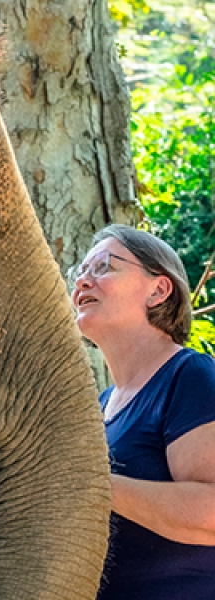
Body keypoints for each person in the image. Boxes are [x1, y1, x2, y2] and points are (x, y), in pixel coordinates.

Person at [69, 224, 215, 599]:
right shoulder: (98, 408)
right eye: (81, 272)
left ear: (158, 290)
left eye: (104, 267)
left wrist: (93, 484)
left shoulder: (190, 377)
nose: (84, 281)